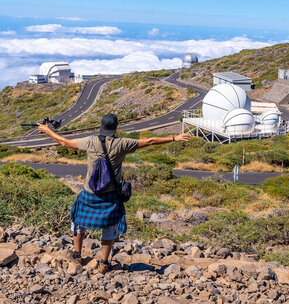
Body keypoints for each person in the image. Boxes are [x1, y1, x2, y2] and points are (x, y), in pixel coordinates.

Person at [38, 113, 190, 273]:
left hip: (90, 193)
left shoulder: (90, 141)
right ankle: (104, 263)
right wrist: (174, 138)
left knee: (78, 222)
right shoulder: (123, 143)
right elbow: (150, 141)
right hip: (110, 195)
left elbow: (64, 142)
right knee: (109, 227)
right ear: (115, 128)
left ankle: (77, 255)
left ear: (101, 126)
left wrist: (47, 130)